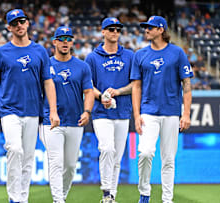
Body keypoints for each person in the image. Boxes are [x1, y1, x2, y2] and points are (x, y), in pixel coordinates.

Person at [0, 9, 60, 203]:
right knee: (15, 150)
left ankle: (22, 199)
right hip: (9, 110)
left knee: (27, 158)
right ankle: (14, 198)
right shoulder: (2, 52)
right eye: (14, 22)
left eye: (22, 21)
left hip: (33, 112)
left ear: (28, 24)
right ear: (9, 27)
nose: (19, 25)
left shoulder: (40, 51)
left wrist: (53, 111)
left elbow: (48, 82)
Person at [130, 16, 193, 203]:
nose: (146, 30)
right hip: (148, 112)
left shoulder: (177, 53)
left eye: (150, 27)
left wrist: (186, 113)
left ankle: (167, 199)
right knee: (146, 152)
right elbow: (136, 87)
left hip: (172, 112)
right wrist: (137, 115)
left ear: (160, 29)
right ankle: (144, 192)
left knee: (168, 160)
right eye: (145, 27)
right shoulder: (140, 55)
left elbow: (187, 85)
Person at [40, 26, 94, 203]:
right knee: (56, 161)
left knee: (70, 166)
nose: (65, 42)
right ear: (54, 42)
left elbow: (89, 92)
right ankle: (58, 200)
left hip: (74, 121)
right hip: (50, 121)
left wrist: (87, 111)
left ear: (72, 42)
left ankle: (61, 196)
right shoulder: (45, 64)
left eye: (68, 39)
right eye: (61, 38)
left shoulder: (82, 66)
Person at [85, 17, 134, 203]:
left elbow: (135, 84)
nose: (115, 32)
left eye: (117, 29)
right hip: (101, 112)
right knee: (106, 148)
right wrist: (102, 96)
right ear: (103, 31)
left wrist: (118, 91)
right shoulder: (92, 57)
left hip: (122, 111)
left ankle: (111, 197)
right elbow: (88, 85)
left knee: (117, 157)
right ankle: (106, 190)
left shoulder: (130, 56)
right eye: (111, 29)